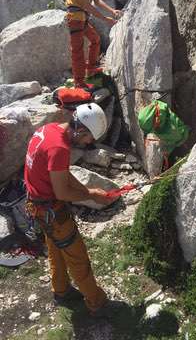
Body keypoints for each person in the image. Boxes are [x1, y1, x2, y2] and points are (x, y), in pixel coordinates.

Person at [24, 103, 118, 316]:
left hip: (38, 206)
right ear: (81, 130)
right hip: (51, 210)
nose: (88, 143)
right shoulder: (59, 149)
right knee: (78, 258)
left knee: (56, 249)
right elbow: (62, 193)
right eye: (88, 139)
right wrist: (91, 196)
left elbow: (61, 174)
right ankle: (97, 303)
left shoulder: (49, 130)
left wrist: (87, 189)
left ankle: (61, 290)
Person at [65, 0, 122, 87]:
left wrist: (112, 11)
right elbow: (86, 4)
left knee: (95, 40)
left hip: (81, 18)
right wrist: (105, 19)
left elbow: (96, 1)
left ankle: (90, 71)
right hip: (76, 17)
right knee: (78, 51)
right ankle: (79, 83)